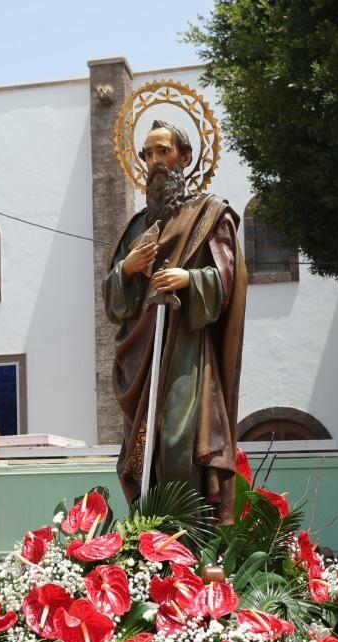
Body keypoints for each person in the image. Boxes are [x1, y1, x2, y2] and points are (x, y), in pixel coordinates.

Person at [105, 119, 247, 522]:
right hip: (143, 354)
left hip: (187, 350)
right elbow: (114, 301)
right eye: (148, 154)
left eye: (163, 151)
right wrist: (128, 270)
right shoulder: (136, 227)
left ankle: (192, 539)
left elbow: (226, 280)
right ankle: (149, 542)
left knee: (179, 442)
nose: (155, 162)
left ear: (184, 157)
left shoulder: (209, 214)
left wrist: (189, 279)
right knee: (142, 453)